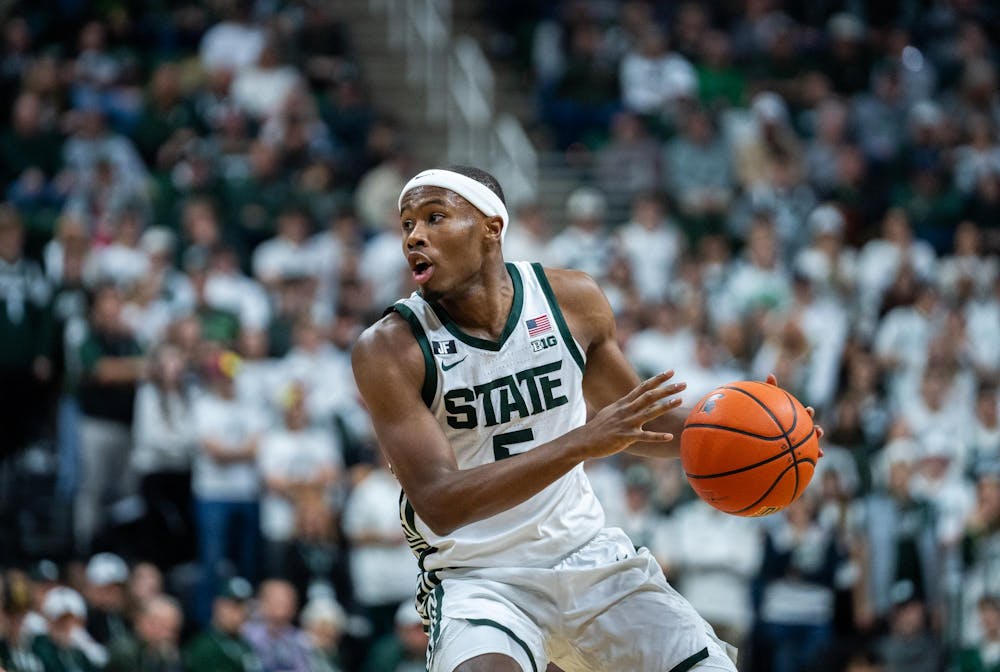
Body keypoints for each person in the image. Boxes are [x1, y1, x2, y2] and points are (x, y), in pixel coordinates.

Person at [352, 166, 824, 671]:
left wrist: (768, 438)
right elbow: (440, 502)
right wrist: (581, 442)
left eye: (435, 217)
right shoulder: (390, 348)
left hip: (588, 555)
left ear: (492, 226)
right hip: (478, 575)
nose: (415, 236)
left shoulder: (571, 300)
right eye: (406, 225)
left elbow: (640, 422)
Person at [182, 577, 260, 672]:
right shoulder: (204, 647)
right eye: (234, 606)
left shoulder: (244, 644)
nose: (240, 613)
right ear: (218, 606)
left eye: (243, 606)